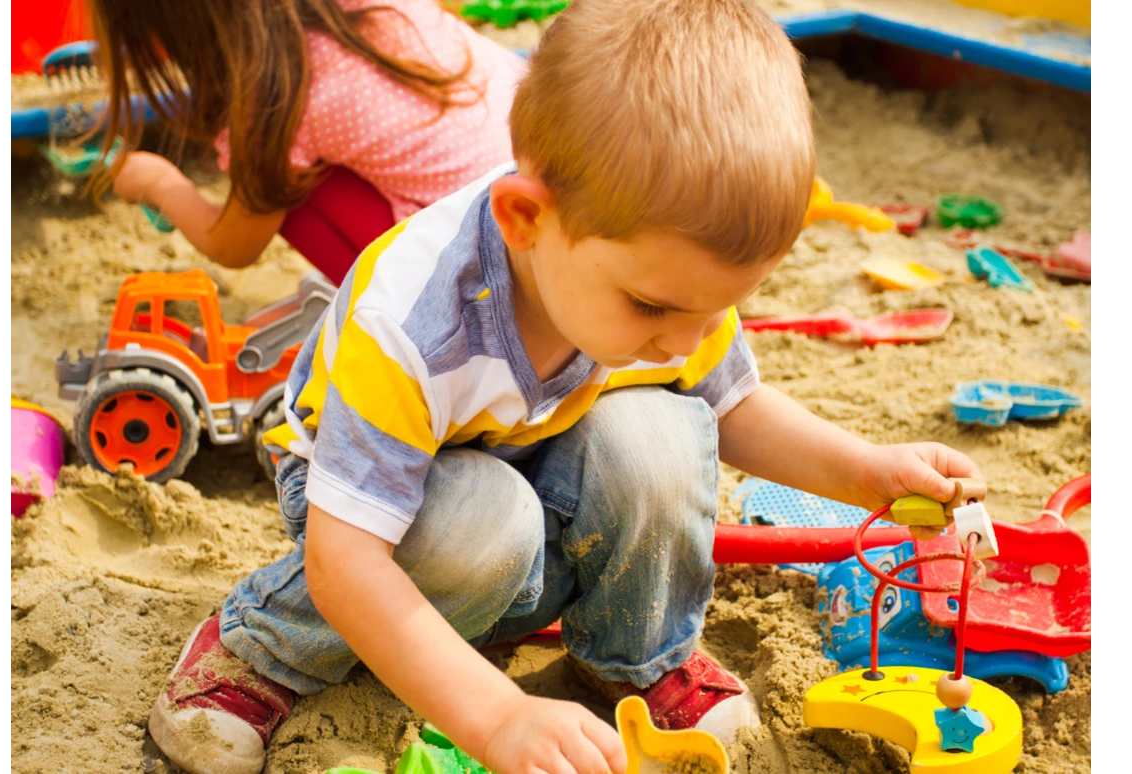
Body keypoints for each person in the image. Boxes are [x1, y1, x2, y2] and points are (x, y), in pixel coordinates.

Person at [144, 2, 983, 773]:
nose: (688, 338)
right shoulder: (414, 321)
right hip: (373, 514)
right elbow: (345, 559)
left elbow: (731, 406)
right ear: (524, 220)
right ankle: (262, 645)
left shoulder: (655, 282)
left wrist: (866, 470)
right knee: (486, 525)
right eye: (655, 305)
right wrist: (497, 717)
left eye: (718, 308)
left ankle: (633, 654)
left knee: (660, 436)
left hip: (535, 465)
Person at [87, 0, 526, 286]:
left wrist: (158, 183)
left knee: (282, 183)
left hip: (494, 293)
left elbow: (234, 245)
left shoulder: (283, 88)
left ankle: (385, 320)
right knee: (294, 161)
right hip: (538, 230)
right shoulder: (361, 12)